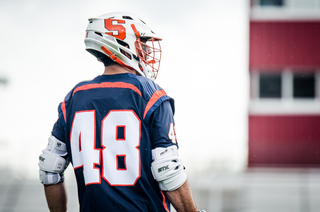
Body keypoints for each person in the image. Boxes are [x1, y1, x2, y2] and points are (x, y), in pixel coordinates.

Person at [38, 11, 204, 212]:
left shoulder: (74, 97)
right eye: (141, 44)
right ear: (123, 45)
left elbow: (49, 169)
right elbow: (168, 170)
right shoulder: (149, 93)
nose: (147, 52)